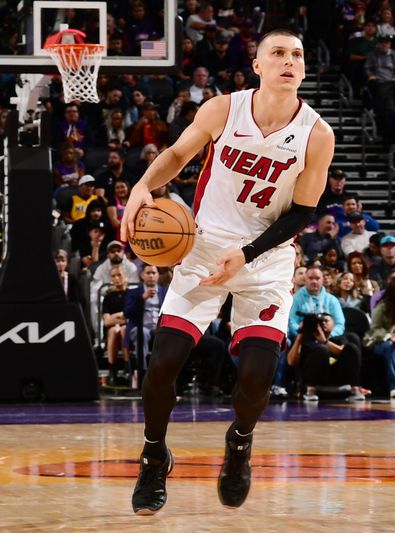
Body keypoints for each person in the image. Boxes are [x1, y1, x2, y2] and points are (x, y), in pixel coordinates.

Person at [120, 29, 335, 515]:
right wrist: (142, 186)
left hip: (265, 259)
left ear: (304, 68)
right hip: (200, 249)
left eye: (297, 55)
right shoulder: (224, 108)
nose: (288, 61)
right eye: (277, 53)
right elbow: (177, 155)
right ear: (257, 65)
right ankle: (155, 456)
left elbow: (302, 213)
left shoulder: (317, 135)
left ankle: (239, 447)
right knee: (161, 368)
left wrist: (248, 252)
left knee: (258, 376)